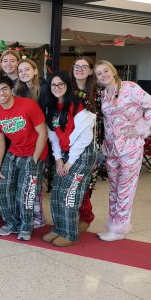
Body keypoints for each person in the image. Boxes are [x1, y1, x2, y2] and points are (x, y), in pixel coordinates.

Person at [94, 60, 151, 241]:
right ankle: (112, 224)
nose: (103, 75)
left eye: (105, 70)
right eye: (99, 73)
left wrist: (140, 128)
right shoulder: (103, 94)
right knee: (114, 188)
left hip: (130, 147)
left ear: (113, 71)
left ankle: (119, 229)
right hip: (111, 148)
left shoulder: (130, 88)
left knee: (125, 189)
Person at [43, 71, 97, 247]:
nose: (57, 88)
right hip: (65, 154)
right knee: (57, 191)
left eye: (61, 84)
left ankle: (70, 234)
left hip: (82, 153)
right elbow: (53, 137)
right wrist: (58, 159)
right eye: (53, 85)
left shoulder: (76, 105)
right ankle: (60, 228)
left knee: (69, 193)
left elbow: (84, 137)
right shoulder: (50, 108)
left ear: (67, 86)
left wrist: (70, 161)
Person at [0, 75, 48, 241]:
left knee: (26, 193)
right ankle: (11, 223)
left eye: (4, 89)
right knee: (4, 189)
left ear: (12, 90)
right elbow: (0, 142)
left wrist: (35, 159)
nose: (1, 93)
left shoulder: (28, 105)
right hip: (14, 152)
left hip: (33, 153)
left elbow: (42, 133)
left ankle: (26, 226)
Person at [14, 58, 51, 228]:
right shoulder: (20, 90)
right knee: (27, 182)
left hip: (41, 140)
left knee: (34, 181)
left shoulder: (43, 89)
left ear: (35, 71)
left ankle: (39, 217)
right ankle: (30, 215)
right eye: (20, 71)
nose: (23, 73)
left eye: (27, 69)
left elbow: (44, 121)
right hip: (25, 140)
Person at [70, 57, 103, 234]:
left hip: (91, 145)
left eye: (84, 67)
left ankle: (85, 216)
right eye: (77, 66)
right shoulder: (66, 90)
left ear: (91, 71)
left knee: (85, 183)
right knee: (68, 182)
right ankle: (70, 215)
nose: (80, 69)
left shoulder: (98, 93)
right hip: (68, 144)